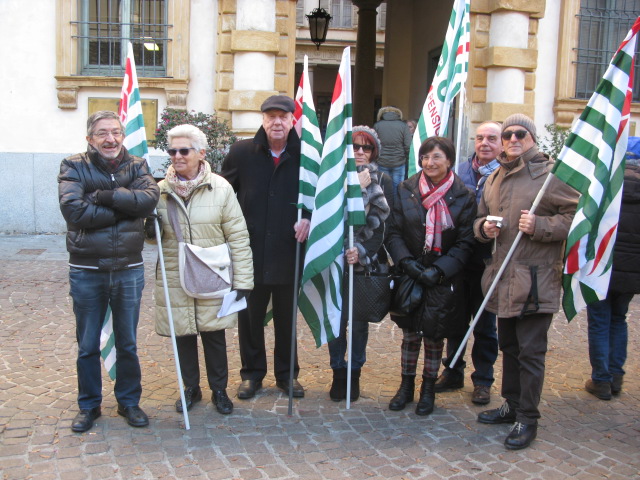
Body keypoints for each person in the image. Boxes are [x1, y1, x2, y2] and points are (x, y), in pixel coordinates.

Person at [474, 114, 578, 450]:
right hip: (503, 279)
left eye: (521, 133)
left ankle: (527, 418)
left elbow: (576, 216)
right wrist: (483, 229)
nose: (513, 139)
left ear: (532, 137)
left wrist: (541, 225)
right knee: (510, 348)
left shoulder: (550, 177)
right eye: (507, 134)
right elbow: (479, 218)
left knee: (531, 353)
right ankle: (511, 404)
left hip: (536, 280)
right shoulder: (494, 178)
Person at [58, 110, 160, 433]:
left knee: (127, 341)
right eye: (102, 133)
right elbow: (74, 210)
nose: (110, 139)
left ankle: (129, 401)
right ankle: (89, 405)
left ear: (122, 136)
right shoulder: (73, 165)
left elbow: (149, 200)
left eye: (115, 132)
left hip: (128, 269)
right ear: (90, 139)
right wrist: (124, 212)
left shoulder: (138, 165)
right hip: (87, 269)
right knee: (87, 343)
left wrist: (103, 197)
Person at [146, 124, 254, 415]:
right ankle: (191, 388)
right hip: (174, 273)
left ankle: (219, 389)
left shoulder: (220, 188)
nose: (177, 156)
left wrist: (243, 280)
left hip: (213, 274)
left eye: (184, 150)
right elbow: (149, 236)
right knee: (183, 335)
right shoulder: (159, 191)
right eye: (172, 151)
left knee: (214, 334)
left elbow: (238, 236)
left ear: (201, 153)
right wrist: (145, 221)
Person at [221, 95, 311, 399]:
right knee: (250, 318)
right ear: (263, 120)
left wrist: (309, 219)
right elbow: (224, 194)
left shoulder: (307, 155)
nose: (276, 122)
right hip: (251, 251)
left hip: (289, 249)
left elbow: (319, 195)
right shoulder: (242, 152)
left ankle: (287, 375)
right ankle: (252, 374)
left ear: (291, 121)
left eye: (283, 117)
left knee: (287, 319)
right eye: (271, 116)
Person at [385, 136, 476, 417]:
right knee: (410, 334)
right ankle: (406, 386)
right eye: (425, 157)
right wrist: (408, 264)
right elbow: (393, 230)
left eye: (436, 157)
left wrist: (439, 270)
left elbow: (465, 242)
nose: (430, 163)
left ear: (449, 160)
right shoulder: (406, 189)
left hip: (443, 278)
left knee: (434, 335)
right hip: (411, 273)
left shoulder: (464, 195)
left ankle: (428, 389)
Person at [435, 121, 502, 405]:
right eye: (479, 138)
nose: (484, 143)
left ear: (501, 144)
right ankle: (452, 371)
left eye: (491, 138)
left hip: (489, 262)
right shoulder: (459, 172)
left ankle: (483, 379)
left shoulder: (505, 174)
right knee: (455, 321)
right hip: (458, 261)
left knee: (485, 325)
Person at [328, 126, 393, 402]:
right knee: (335, 320)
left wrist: (362, 251)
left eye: (366, 147)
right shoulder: (332, 179)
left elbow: (385, 225)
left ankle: (354, 373)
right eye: (355, 146)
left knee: (357, 321)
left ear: (374, 151)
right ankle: (337, 371)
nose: (360, 152)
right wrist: (354, 188)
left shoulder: (383, 179)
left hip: (363, 262)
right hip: (334, 259)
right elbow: (328, 216)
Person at [584, 154, 640, 400]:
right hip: (630, 274)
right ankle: (616, 376)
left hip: (601, 269)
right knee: (618, 319)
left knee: (599, 322)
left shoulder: (605, 192)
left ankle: (602, 381)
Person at [374, 106, 412, 192]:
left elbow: (374, 144)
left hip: (382, 161)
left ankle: (384, 205)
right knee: (398, 188)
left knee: (383, 188)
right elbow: (408, 145)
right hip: (399, 162)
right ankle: (397, 205)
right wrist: (406, 158)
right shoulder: (403, 126)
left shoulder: (377, 125)